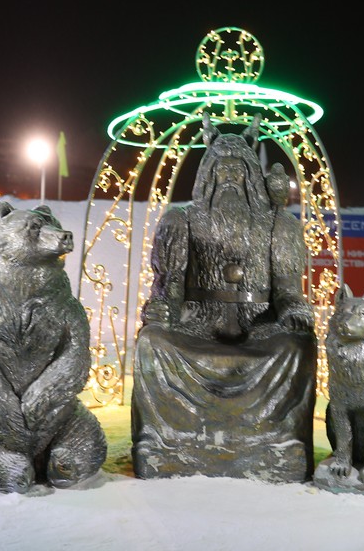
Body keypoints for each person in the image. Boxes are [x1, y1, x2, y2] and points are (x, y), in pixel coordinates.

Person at [130, 113, 317, 482]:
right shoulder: (181, 220)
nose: (230, 175)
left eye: (239, 169)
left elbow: (287, 289)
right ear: (207, 174)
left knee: (296, 347)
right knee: (152, 343)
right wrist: (163, 307)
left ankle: (275, 445)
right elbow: (169, 286)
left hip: (260, 325)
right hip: (196, 323)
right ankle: (168, 444)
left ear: (252, 175)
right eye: (222, 168)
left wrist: (293, 310)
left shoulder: (279, 224)